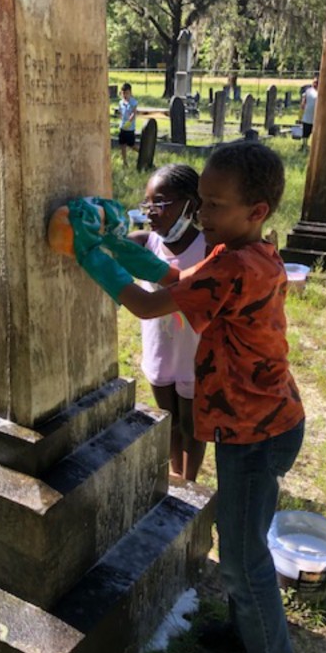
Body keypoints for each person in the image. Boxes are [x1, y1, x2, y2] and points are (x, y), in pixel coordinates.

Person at [63, 141, 306, 653]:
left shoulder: (235, 266)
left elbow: (151, 305)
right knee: (244, 544)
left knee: (245, 557)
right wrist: (119, 245)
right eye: (202, 203)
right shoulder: (249, 253)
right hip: (267, 423)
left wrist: (91, 256)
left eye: (216, 206)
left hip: (255, 434)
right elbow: (174, 274)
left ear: (258, 211)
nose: (202, 216)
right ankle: (249, 632)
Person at [130, 164, 207, 481]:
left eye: (159, 204)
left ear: (191, 203)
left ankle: (190, 482)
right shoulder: (146, 244)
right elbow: (115, 246)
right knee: (168, 420)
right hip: (161, 352)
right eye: (147, 205)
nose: (151, 213)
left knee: (192, 425)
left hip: (195, 355)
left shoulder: (208, 249)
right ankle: (176, 475)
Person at [118, 82, 138, 166]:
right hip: (122, 127)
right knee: (122, 144)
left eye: (127, 93)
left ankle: (142, 152)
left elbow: (134, 113)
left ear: (130, 92)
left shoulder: (133, 102)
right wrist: (120, 118)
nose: (125, 95)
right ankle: (124, 161)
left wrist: (129, 121)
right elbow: (120, 112)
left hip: (130, 128)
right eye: (123, 93)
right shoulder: (121, 102)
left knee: (131, 145)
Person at [300, 76, 318, 151]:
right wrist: (301, 111)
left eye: (317, 82)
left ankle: (314, 146)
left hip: (316, 116)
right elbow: (303, 103)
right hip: (308, 115)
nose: (315, 84)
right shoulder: (308, 91)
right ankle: (304, 145)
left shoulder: (321, 91)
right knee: (306, 131)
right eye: (314, 82)